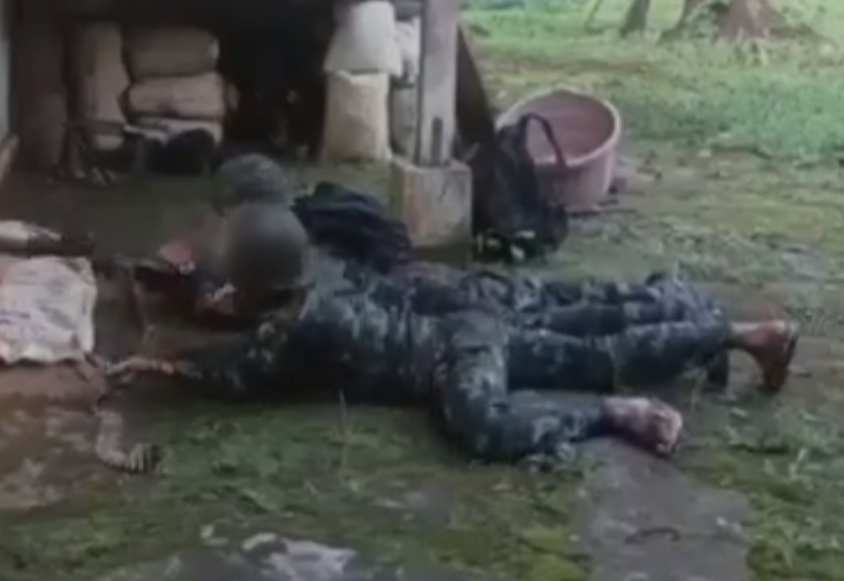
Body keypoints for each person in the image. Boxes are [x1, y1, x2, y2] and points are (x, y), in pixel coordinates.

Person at [111, 202, 798, 463]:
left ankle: (613, 415)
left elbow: (238, 376)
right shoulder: (321, 274)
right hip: (466, 321)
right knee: (597, 341)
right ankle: (744, 333)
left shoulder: (294, 331)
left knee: (484, 428)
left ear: (257, 283)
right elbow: (251, 319)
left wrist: (166, 367)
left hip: (452, 355)